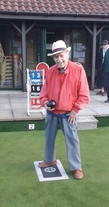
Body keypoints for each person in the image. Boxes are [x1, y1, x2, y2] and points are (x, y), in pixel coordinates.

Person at [38, 40, 90, 180]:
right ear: (53, 58)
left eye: (61, 55)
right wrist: (45, 102)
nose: (59, 59)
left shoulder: (78, 70)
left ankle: (76, 167)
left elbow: (84, 94)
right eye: (56, 56)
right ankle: (50, 160)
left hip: (69, 113)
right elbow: (44, 93)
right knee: (49, 138)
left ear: (67, 53)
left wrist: (75, 110)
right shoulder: (50, 71)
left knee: (72, 140)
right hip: (52, 113)